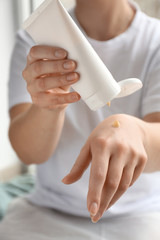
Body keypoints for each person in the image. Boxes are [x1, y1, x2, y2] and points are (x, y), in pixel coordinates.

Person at [1, 0, 160, 239]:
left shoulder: (154, 41)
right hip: (49, 212)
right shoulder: (36, 41)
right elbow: (29, 154)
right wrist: (48, 107)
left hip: (140, 214)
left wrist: (138, 133)